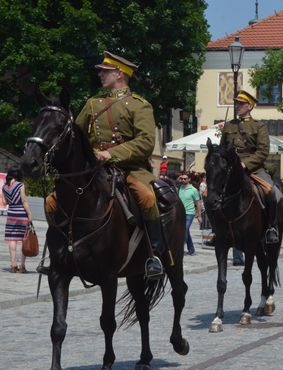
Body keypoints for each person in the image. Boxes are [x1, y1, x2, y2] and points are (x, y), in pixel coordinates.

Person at [63, 50, 164, 279]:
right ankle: (61, 251)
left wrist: (111, 154)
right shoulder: (92, 104)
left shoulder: (139, 106)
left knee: (148, 198)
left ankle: (153, 256)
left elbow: (146, 142)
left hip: (129, 169)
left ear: (119, 74)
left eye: (105, 71)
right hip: (93, 170)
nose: (100, 75)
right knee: (53, 201)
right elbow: (76, 136)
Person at [218, 89, 283, 244]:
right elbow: (222, 150)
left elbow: (263, 152)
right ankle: (218, 230)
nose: (237, 106)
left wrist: (245, 164)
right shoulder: (228, 126)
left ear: (250, 106)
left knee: (273, 193)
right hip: (230, 171)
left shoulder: (259, 127)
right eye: (236, 103)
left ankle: (271, 228)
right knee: (211, 193)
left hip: (254, 170)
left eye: (241, 103)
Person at [2, 167, 33, 273]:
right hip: (21, 214)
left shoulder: (4, 186)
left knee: (12, 239)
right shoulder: (20, 185)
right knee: (24, 239)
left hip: (11, 214)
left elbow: (4, 202)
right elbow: (24, 200)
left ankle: (13, 265)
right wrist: (29, 214)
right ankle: (22, 266)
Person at [177, 172, 202, 255]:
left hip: (189, 213)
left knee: (184, 230)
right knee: (186, 230)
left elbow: (198, 203)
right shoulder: (179, 188)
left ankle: (179, 249)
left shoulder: (193, 190)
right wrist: (178, 179)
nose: (183, 180)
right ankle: (191, 249)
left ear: (189, 179)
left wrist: (199, 215)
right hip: (180, 213)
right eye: (182, 179)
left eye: (185, 179)